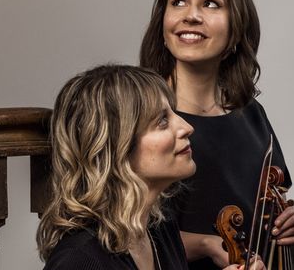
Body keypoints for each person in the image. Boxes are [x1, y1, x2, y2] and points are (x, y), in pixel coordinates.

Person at [138, 0, 294, 270]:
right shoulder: (138, 114)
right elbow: (118, 229)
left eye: (211, 4)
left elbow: (270, 203)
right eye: (179, 2)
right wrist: (205, 243)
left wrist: (289, 223)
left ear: (236, 29)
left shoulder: (252, 115)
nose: (191, 16)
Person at [37, 64, 195, 270]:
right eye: (162, 120)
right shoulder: (79, 261)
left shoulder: (159, 227)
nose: (187, 127)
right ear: (117, 148)